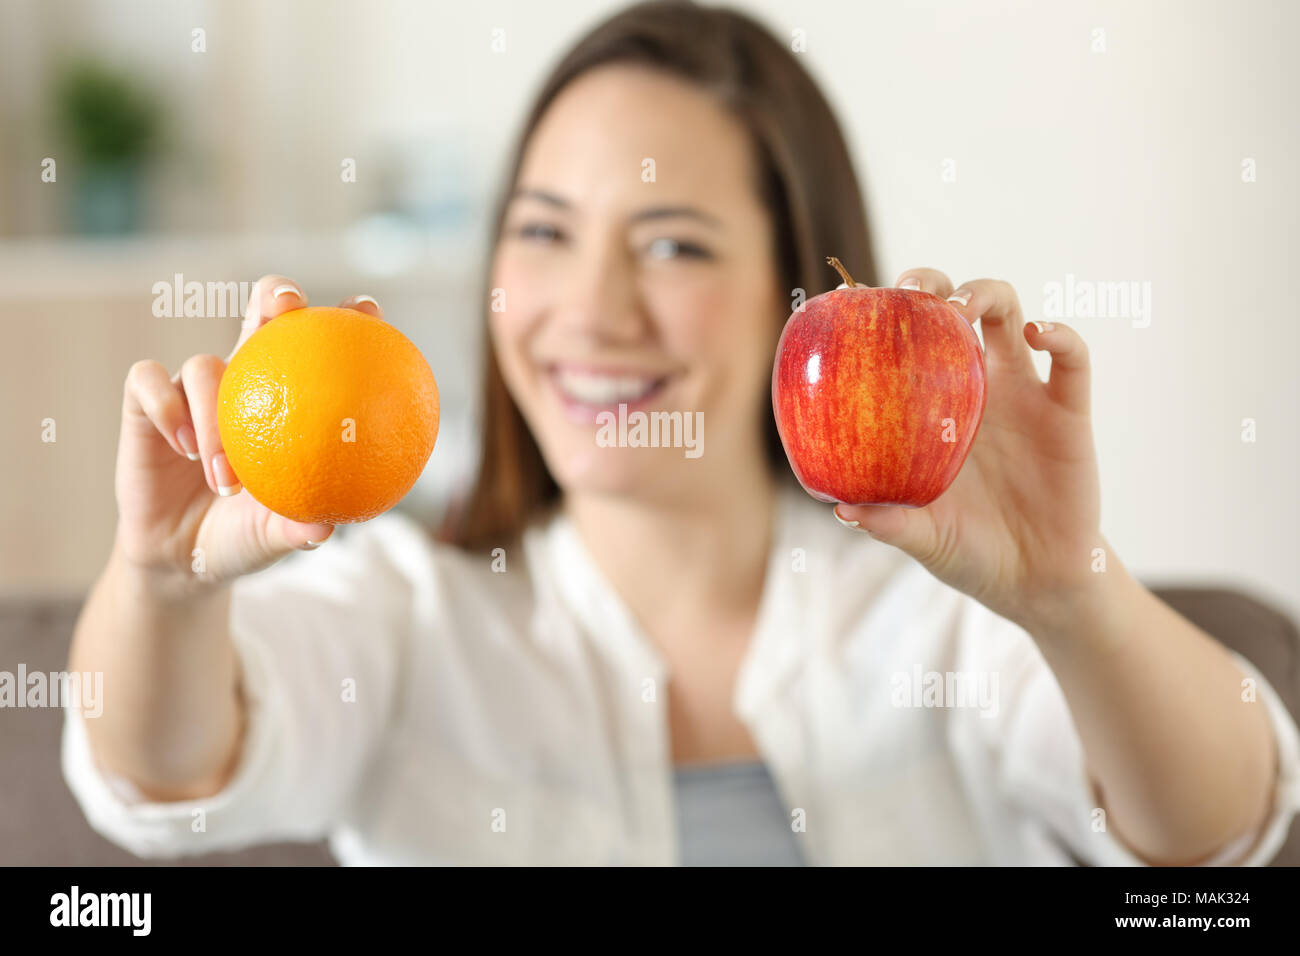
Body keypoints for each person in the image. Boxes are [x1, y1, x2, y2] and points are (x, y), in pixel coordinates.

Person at [63, 0, 1299, 866]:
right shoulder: (409, 612)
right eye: (544, 230)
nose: (589, 311)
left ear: (796, 293)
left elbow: (1215, 840)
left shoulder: (938, 621)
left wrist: (1069, 592)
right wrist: (162, 584)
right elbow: (162, 785)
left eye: (672, 243)